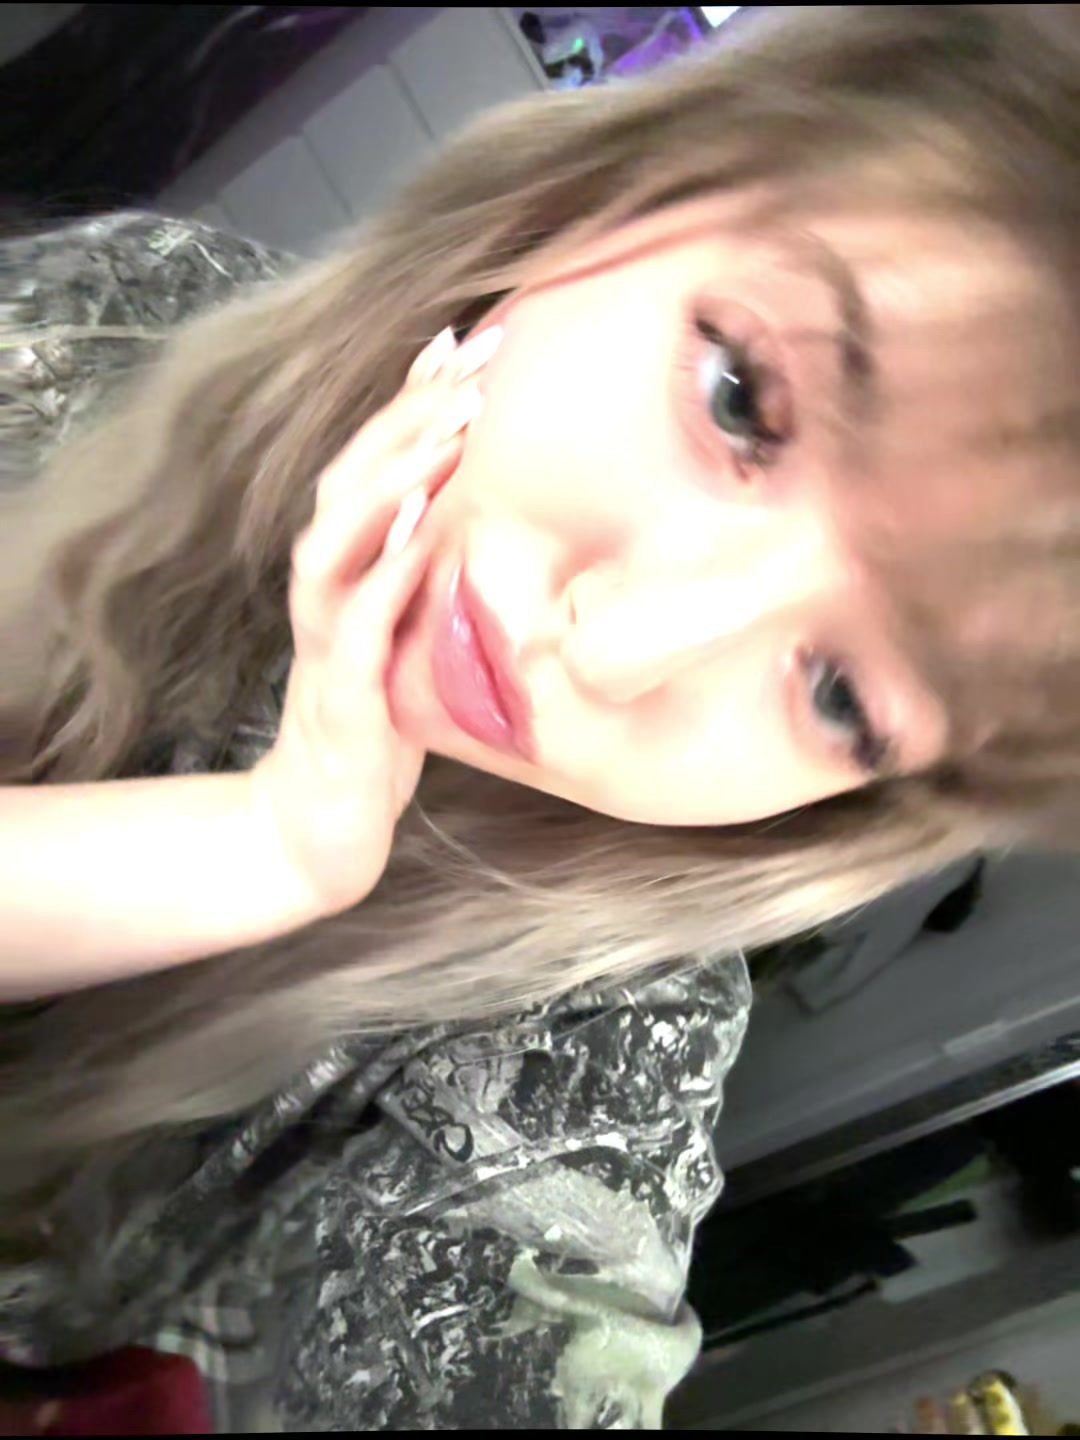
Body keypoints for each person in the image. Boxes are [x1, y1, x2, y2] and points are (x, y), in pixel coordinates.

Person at [2, 3, 1079, 1427]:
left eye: (843, 694)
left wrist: (272, 851)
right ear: (628, 188)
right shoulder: (127, 309)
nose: (617, 649)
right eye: (741, 397)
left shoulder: (593, 1060)